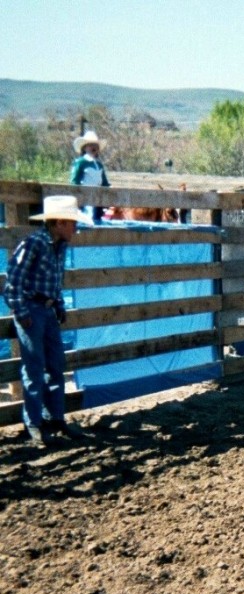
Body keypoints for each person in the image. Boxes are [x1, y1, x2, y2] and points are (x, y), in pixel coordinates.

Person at [4, 195, 93, 447]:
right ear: (60, 223)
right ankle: (33, 423)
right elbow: (13, 282)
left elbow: (56, 279)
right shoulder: (33, 243)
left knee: (56, 365)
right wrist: (21, 312)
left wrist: (60, 304)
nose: (75, 228)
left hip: (48, 309)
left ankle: (55, 418)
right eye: (73, 223)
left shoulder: (59, 245)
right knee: (34, 367)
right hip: (32, 309)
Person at [69, 130, 110, 221]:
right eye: (90, 145)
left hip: (98, 200)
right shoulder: (80, 162)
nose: (93, 147)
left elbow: (105, 183)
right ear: (84, 148)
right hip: (85, 199)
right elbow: (74, 182)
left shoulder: (99, 165)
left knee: (98, 220)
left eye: (95, 145)